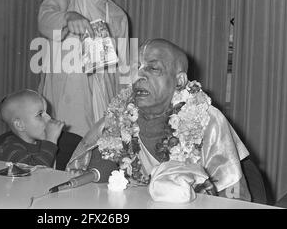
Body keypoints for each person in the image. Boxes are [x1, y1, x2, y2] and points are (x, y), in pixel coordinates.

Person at [67, 39, 252, 201]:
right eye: (136, 68)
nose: (139, 75)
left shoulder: (207, 120)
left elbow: (233, 195)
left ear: (179, 81)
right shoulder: (120, 114)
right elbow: (103, 159)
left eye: (153, 68)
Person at [38, 0, 130, 137]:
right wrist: (68, 17)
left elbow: (122, 70)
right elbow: (44, 19)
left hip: (103, 99)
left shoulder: (118, 16)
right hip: (66, 97)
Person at [0, 89, 64, 167]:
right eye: (40, 114)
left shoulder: (42, 144)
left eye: (46, 112)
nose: (48, 118)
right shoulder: (10, 148)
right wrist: (51, 141)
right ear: (20, 125)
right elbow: (33, 174)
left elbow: (48, 173)